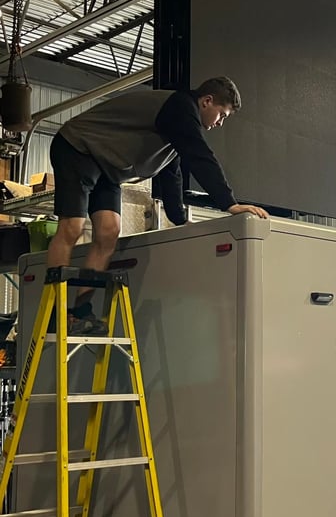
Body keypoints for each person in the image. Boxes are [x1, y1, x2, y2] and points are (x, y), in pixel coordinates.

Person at [47, 76, 268, 334]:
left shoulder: (174, 127)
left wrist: (179, 219)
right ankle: (54, 312)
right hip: (78, 147)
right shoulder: (180, 107)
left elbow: (171, 173)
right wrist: (229, 204)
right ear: (207, 101)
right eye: (222, 115)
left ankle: (81, 311)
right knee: (72, 227)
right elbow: (200, 156)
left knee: (108, 233)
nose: (220, 123)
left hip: (108, 167)